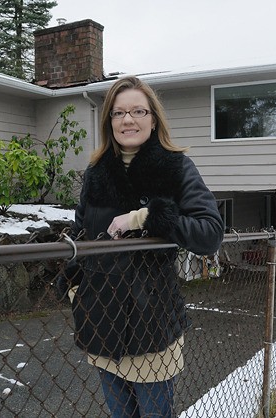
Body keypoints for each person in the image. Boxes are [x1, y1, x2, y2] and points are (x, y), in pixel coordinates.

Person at [66, 76, 224, 417]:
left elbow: (210, 232)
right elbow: (80, 233)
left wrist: (144, 217)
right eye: (119, 112)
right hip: (102, 320)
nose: (128, 120)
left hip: (151, 323)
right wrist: (75, 288)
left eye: (138, 110)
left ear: (153, 120)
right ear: (109, 121)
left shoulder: (176, 166)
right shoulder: (96, 172)